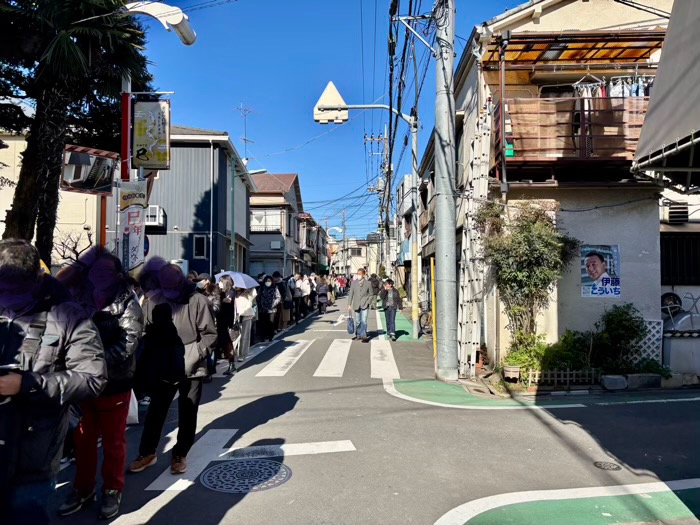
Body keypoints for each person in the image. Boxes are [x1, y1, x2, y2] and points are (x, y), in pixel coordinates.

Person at [0, 240, 107, 525]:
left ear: (37, 279)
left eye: (14, 291)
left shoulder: (68, 315)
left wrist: (27, 384)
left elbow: (93, 378)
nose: (6, 298)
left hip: (33, 456)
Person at [59, 253, 144, 520]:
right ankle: (83, 488)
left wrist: (94, 363)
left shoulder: (128, 304)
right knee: (82, 440)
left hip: (114, 383)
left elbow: (128, 342)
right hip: (82, 383)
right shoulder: (80, 298)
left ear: (118, 275)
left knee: (113, 441)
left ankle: (112, 488)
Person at [129, 264, 217, 476]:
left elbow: (210, 334)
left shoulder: (198, 300)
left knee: (188, 411)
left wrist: (195, 354)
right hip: (163, 362)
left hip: (191, 364)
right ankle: (147, 452)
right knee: (156, 410)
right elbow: (146, 330)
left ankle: (180, 453)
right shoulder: (153, 301)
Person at [217, 275, 237, 376]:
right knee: (223, 342)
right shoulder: (222, 292)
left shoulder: (231, 291)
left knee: (227, 343)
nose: (219, 283)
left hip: (227, 322)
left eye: (221, 281)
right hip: (221, 320)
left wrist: (218, 298)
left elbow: (228, 300)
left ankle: (231, 363)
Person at [347, 269, 373, 343]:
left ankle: (364, 336)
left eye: (360, 274)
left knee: (364, 320)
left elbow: (371, 294)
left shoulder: (368, 283)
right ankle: (358, 335)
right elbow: (351, 294)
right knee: (358, 321)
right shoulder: (353, 283)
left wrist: (368, 302)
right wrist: (349, 304)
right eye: (357, 274)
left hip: (365, 304)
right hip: (356, 304)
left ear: (364, 275)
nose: (358, 275)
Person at [235, 287, 256, 363]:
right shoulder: (232, 292)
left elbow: (254, 294)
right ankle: (231, 353)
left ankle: (242, 354)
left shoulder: (248, 292)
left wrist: (249, 289)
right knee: (234, 336)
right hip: (235, 316)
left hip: (246, 315)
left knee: (244, 336)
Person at [258, 275, 281, 341]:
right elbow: (258, 297)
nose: (268, 282)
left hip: (271, 309)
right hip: (263, 309)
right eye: (266, 281)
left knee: (270, 323)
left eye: (269, 281)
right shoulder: (262, 288)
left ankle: (270, 336)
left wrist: (273, 304)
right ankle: (263, 336)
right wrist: (260, 304)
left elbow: (278, 297)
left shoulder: (274, 288)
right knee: (263, 323)